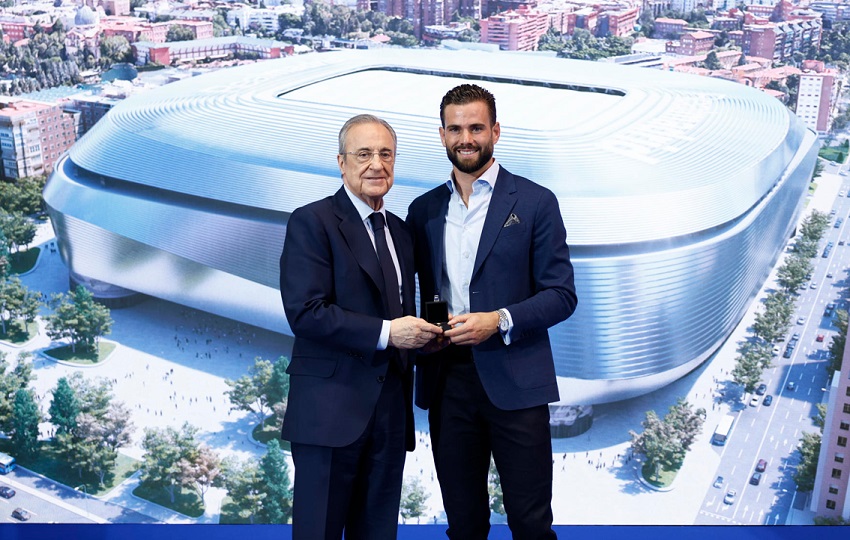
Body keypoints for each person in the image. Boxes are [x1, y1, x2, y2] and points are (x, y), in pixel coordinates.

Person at [407, 84, 578, 539]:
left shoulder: (537, 202)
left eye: (476, 127)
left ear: (496, 132)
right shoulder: (422, 210)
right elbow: (422, 294)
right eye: (456, 128)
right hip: (447, 382)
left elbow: (561, 295)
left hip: (516, 381)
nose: (467, 137)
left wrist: (498, 320)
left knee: (530, 522)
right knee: (463, 524)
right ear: (442, 134)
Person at [280, 114, 443, 540]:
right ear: (341, 162)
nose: (376, 164)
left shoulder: (402, 233)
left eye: (385, 154)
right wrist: (391, 333)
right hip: (329, 415)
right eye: (364, 154)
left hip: (390, 417)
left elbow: (403, 311)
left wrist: (426, 338)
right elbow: (306, 312)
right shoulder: (311, 222)